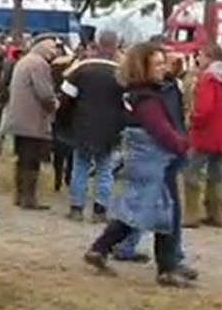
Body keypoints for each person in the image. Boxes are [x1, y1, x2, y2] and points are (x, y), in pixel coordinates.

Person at [83, 42, 194, 288]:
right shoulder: (146, 98)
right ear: (142, 68)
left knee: (139, 211)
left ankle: (100, 248)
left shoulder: (147, 92)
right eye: (157, 64)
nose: (162, 68)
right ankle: (167, 268)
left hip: (147, 162)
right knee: (163, 212)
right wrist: (183, 144)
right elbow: (161, 130)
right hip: (153, 162)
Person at [59, 30, 124, 222]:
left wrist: (65, 122)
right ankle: (100, 209)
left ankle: (76, 208)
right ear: (115, 46)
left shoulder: (81, 69)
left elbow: (66, 98)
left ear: (97, 44)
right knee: (105, 169)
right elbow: (127, 104)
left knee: (80, 166)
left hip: (83, 126)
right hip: (109, 129)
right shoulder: (121, 73)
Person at [183, 42, 222, 228]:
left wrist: (192, 120)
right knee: (218, 174)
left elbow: (205, 108)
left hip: (205, 133)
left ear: (210, 57)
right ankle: (215, 213)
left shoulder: (208, 78)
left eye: (201, 55)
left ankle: (191, 214)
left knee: (192, 173)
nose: (198, 58)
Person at [4, 36, 59, 210]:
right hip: (32, 121)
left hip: (18, 119)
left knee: (22, 160)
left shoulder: (24, 61)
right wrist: (55, 104)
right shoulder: (39, 64)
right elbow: (44, 93)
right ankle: (29, 199)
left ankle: (20, 196)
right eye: (51, 47)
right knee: (32, 160)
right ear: (41, 47)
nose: (54, 51)